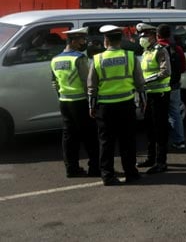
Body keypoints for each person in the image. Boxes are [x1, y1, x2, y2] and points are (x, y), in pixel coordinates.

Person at [87, 25, 146, 186]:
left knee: (106, 143)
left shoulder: (97, 59)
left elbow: (92, 86)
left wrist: (91, 106)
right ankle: (131, 173)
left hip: (105, 107)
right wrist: (143, 100)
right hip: (126, 105)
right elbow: (140, 82)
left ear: (106, 41)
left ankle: (107, 175)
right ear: (120, 40)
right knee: (128, 141)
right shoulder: (130, 56)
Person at [50, 27, 99, 178]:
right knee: (90, 136)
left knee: (69, 137)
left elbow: (54, 83)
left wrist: (62, 95)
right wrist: (92, 102)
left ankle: (71, 168)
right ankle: (94, 168)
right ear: (74, 41)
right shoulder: (79, 58)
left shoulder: (55, 59)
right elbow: (87, 82)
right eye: (82, 40)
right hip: (81, 102)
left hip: (64, 102)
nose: (84, 42)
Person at [135, 23, 171, 174]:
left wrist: (145, 81)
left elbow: (166, 71)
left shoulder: (160, 50)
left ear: (152, 36)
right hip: (148, 95)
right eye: (141, 36)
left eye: (144, 36)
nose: (142, 39)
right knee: (149, 128)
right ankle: (151, 158)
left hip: (160, 95)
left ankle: (161, 162)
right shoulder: (145, 52)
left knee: (159, 129)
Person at [163, 25, 186, 150]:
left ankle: (160, 143)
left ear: (157, 35)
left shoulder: (155, 49)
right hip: (174, 85)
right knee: (175, 113)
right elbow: (183, 68)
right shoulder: (176, 48)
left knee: (159, 115)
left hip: (158, 87)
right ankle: (179, 141)